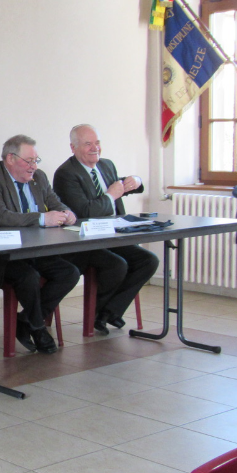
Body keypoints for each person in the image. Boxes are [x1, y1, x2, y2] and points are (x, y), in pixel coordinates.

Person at [0, 135, 80, 353]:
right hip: (5, 256)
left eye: (36, 160)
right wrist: (41, 218)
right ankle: (38, 328)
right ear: (10, 158)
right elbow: (1, 216)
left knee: (69, 273)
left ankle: (25, 320)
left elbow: (55, 203)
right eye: (29, 161)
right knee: (28, 277)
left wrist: (67, 213)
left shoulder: (39, 177)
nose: (34, 166)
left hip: (36, 250)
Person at [53, 124, 159, 334]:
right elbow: (85, 211)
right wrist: (111, 195)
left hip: (113, 235)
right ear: (73, 147)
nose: (95, 148)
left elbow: (123, 186)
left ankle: (108, 312)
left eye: (97, 143)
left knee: (148, 260)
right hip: (84, 241)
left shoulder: (106, 165)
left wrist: (136, 181)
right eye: (88, 144)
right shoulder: (66, 174)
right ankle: (99, 314)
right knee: (117, 265)